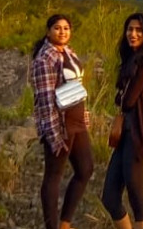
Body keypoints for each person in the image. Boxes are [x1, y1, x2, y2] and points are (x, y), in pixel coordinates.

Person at [31, 14, 94, 229]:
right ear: (48, 31)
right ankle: (52, 226)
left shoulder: (69, 52)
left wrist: (84, 117)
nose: (62, 31)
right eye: (57, 28)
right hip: (60, 124)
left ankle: (65, 223)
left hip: (77, 121)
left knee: (85, 169)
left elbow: (78, 87)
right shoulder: (44, 59)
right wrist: (54, 134)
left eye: (66, 28)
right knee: (54, 176)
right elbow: (45, 99)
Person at [102, 13, 143, 229]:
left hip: (140, 134)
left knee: (138, 200)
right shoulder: (131, 60)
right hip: (126, 133)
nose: (133, 34)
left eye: (138, 30)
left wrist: (124, 97)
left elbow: (128, 99)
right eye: (129, 29)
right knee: (109, 197)